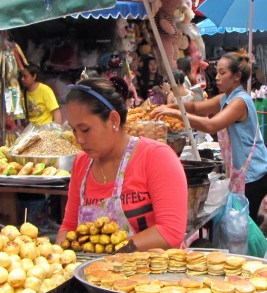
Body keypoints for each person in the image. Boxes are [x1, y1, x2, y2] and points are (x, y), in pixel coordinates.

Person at [57, 78, 187, 251]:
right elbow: (69, 227)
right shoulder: (81, 163)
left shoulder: (156, 157)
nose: (79, 139)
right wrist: (57, 256)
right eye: (74, 130)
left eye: (85, 129)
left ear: (113, 120)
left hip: (153, 268)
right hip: (94, 267)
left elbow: (170, 232)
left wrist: (113, 252)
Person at [150, 52, 267, 219]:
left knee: (243, 226)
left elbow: (211, 125)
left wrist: (175, 114)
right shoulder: (226, 98)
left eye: (222, 73)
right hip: (246, 172)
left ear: (237, 76)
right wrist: (169, 107)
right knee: (241, 223)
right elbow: (196, 107)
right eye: (217, 72)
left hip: (255, 173)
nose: (216, 77)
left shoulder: (239, 101)